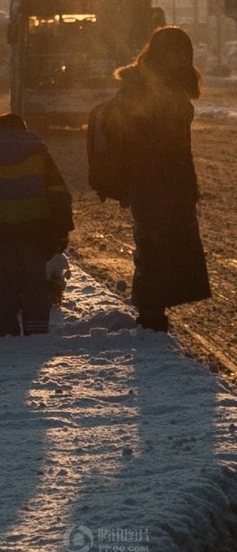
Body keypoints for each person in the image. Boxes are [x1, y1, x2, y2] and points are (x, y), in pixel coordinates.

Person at [108, 25, 211, 331]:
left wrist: (188, 186)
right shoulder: (140, 88)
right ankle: (151, 316)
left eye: (185, 53)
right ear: (160, 54)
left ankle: (156, 312)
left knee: (170, 246)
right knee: (154, 247)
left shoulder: (171, 86)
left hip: (172, 183)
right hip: (150, 182)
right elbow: (126, 136)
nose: (181, 59)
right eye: (175, 53)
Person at [0, 113, 73, 337]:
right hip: (34, 229)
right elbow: (58, 193)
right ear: (24, 130)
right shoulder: (39, 153)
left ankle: (6, 332)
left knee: (1, 286)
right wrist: (63, 229)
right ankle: (36, 330)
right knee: (35, 283)